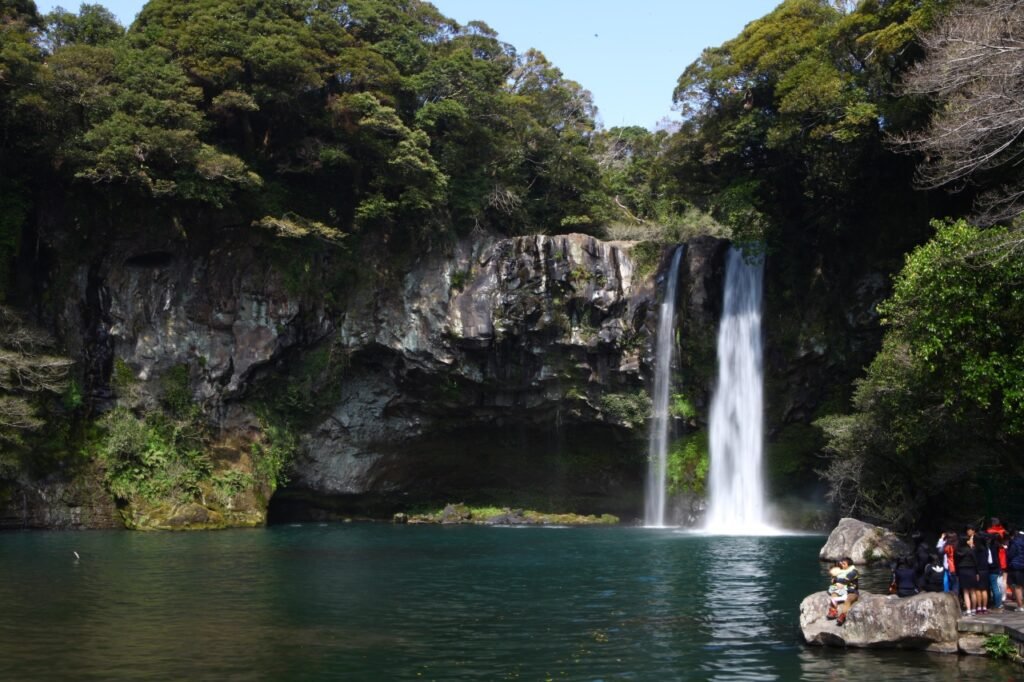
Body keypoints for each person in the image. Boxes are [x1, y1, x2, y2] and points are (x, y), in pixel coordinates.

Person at [826, 557, 859, 626]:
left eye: (844, 564)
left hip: (852, 591)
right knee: (834, 594)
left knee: (848, 599)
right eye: (841, 563)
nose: (842, 565)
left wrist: (835, 580)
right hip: (842, 590)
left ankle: (843, 615)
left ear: (849, 565)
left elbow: (845, 580)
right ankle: (833, 611)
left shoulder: (854, 572)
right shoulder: (842, 571)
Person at [1007, 528, 1024, 611]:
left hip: (1016, 566)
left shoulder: (1015, 542)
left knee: (1018, 587)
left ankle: (1020, 606)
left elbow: (1010, 554)